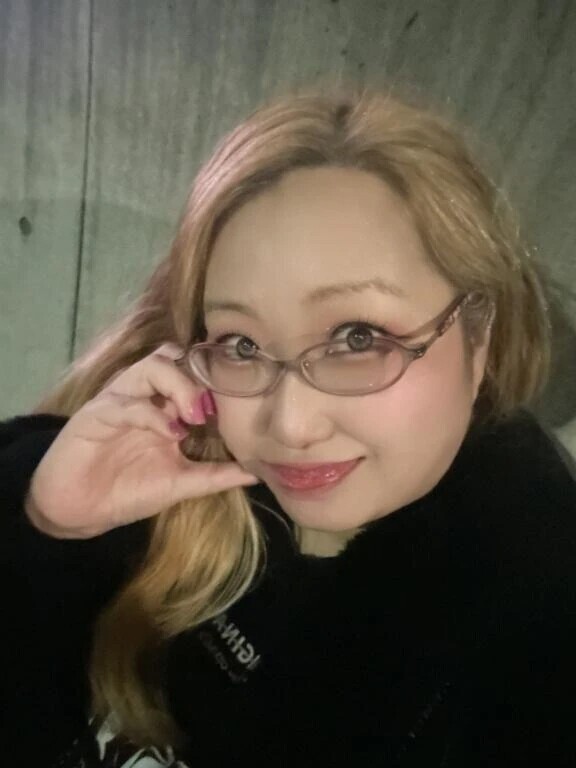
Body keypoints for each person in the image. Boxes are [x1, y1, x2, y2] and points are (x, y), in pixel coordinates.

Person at [1, 83, 575, 767]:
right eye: (242, 343)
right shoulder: (166, 460)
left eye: (358, 337)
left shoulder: (539, 627)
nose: (291, 425)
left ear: (478, 337)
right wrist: (43, 530)